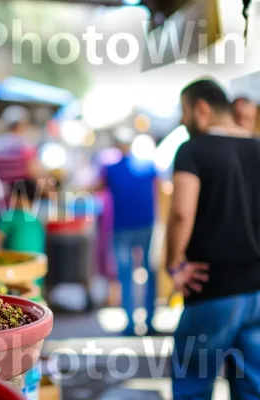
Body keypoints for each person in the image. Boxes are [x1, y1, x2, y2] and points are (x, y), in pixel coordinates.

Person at [168, 79, 260, 400]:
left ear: (202, 108)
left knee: (193, 384)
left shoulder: (192, 149)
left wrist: (174, 263)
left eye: (184, 111)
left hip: (212, 290)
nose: (182, 120)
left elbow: (181, 212)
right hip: (257, 290)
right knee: (252, 387)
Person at [98, 133, 158, 335]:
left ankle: (131, 324)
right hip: (146, 224)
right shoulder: (148, 166)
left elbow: (96, 188)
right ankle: (149, 321)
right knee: (149, 272)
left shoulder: (110, 169)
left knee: (125, 275)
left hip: (123, 227)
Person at [0, 179, 45, 255]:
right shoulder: (38, 222)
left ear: (19, 197)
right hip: (37, 265)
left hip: (16, 265)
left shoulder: (11, 217)